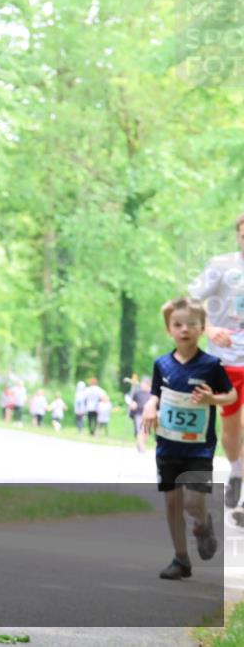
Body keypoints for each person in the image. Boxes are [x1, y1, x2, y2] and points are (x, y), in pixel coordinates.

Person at [141, 296, 236, 580]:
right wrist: (150, 405)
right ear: (169, 329)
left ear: (202, 328)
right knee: (172, 502)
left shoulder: (211, 365)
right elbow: (155, 393)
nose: (185, 329)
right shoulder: (161, 364)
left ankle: (203, 524)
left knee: (193, 502)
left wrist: (212, 399)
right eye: (178, 324)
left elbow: (231, 395)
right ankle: (181, 559)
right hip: (168, 445)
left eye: (192, 324)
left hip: (199, 448)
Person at [188, 213, 244, 508]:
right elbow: (191, 298)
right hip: (226, 360)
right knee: (231, 430)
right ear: (238, 236)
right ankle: (237, 470)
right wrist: (209, 329)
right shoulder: (221, 266)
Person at [129, 376, 152, 453]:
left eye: (144, 384)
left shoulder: (152, 394)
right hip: (138, 413)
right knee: (140, 430)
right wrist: (132, 403)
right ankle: (142, 446)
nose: (143, 385)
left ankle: (140, 444)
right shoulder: (137, 392)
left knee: (146, 431)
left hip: (148, 415)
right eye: (142, 383)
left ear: (148, 384)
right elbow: (131, 400)